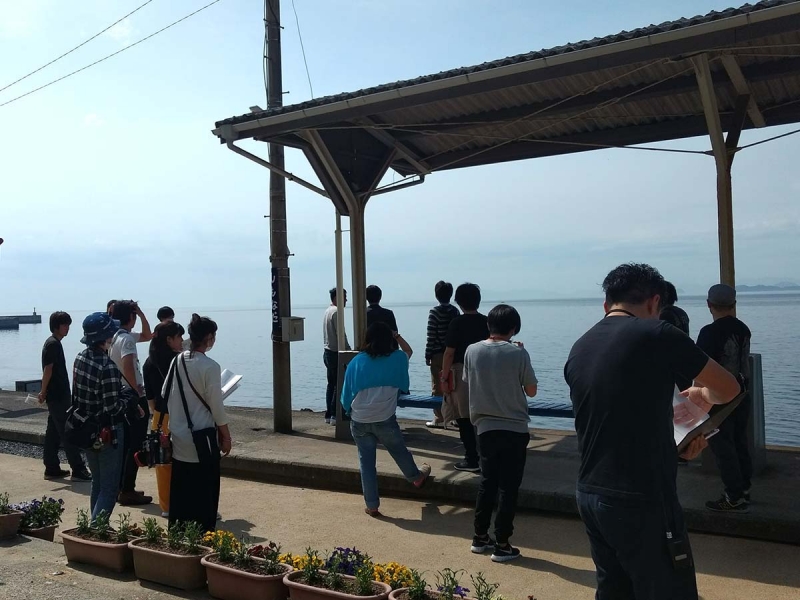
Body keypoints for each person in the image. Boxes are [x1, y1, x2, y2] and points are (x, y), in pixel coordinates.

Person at [564, 263, 740, 600]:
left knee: (615, 591)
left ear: (606, 304)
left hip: (590, 493)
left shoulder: (580, 346)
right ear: (655, 302)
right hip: (642, 497)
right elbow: (728, 388)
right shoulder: (658, 333)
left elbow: (614, 419)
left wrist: (675, 448)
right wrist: (703, 394)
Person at [464, 304, 537, 563]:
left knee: (487, 482)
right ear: (514, 328)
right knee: (508, 487)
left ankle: (479, 537)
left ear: (489, 325)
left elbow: (468, 381)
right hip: (514, 428)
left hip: (484, 428)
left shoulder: (471, 351)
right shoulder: (518, 353)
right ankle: (502, 544)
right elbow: (531, 391)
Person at [341, 322, 430, 517]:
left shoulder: (357, 361)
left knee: (366, 463)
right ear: (389, 339)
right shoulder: (397, 358)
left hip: (359, 419)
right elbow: (409, 351)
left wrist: (349, 411)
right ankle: (416, 478)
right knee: (399, 450)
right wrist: (397, 336)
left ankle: (372, 505)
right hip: (385, 418)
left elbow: (346, 394)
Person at [163, 314, 231, 532]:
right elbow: (217, 407)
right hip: (203, 438)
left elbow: (165, 392)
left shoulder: (177, 360)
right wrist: (226, 436)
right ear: (209, 337)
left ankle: (178, 534)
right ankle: (203, 535)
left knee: (181, 490)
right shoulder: (210, 366)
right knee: (205, 491)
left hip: (179, 434)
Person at [697, 284, 753, 513]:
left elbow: (699, 367)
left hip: (717, 399)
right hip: (742, 394)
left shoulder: (708, 333)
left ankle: (733, 496)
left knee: (722, 447)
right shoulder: (743, 329)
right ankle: (744, 488)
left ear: (709, 305)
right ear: (734, 304)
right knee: (739, 442)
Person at [73, 312, 134, 520]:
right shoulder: (107, 366)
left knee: (97, 482)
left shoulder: (79, 357)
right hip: (108, 433)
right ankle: (96, 529)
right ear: (106, 337)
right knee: (110, 487)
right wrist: (128, 400)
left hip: (86, 428)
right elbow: (112, 408)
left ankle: (94, 526)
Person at [38, 312, 92, 481]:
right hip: (58, 395)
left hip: (57, 395)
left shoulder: (53, 343)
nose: (67, 328)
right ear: (56, 326)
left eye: (68, 324)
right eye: (64, 324)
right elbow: (48, 369)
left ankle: (51, 467)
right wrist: (43, 391)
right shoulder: (53, 344)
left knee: (53, 432)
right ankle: (78, 468)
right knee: (68, 431)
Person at [110, 300, 154, 506]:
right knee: (135, 444)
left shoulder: (115, 337)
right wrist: (136, 394)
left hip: (121, 395)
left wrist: (141, 314)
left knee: (126, 443)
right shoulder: (126, 339)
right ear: (131, 317)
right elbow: (128, 366)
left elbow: (147, 335)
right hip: (132, 397)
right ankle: (128, 489)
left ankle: (122, 487)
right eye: (135, 315)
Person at [441, 283, 488, 472]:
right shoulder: (486, 321)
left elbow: (449, 353)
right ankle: (487, 458)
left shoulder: (457, 323)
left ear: (458, 302)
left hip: (461, 373)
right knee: (483, 416)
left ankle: (471, 459)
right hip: (484, 373)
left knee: (464, 417)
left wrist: (444, 377)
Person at [143, 321, 185, 518]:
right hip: (180, 416)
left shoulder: (149, 362)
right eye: (179, 337)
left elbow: (150, 398)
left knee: (163, 465)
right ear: (169, 340)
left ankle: (167, 506)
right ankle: (190, 502)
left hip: (160, 418)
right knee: (187, 462)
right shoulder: (179, 361)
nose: (182, 340)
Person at [424, 281, 460, 428]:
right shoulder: (455, 311)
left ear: (436, 295)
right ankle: (455, 417)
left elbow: (431, 335)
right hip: (454, 353)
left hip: (438, 353)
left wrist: (428, 354)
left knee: (437, 386)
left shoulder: (434, 312)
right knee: (454, 386)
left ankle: (439, 417)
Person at [323, 287, 351, 425]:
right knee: (338, 384)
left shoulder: (327, 311)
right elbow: (341, 334)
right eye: (344, 297)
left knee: (331, 384)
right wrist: (349, 349)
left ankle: (328, 414)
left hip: (327, 351)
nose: (346, 300)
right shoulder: (336, 312)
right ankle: (334, 414)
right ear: (337, 298)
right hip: (335, 352)